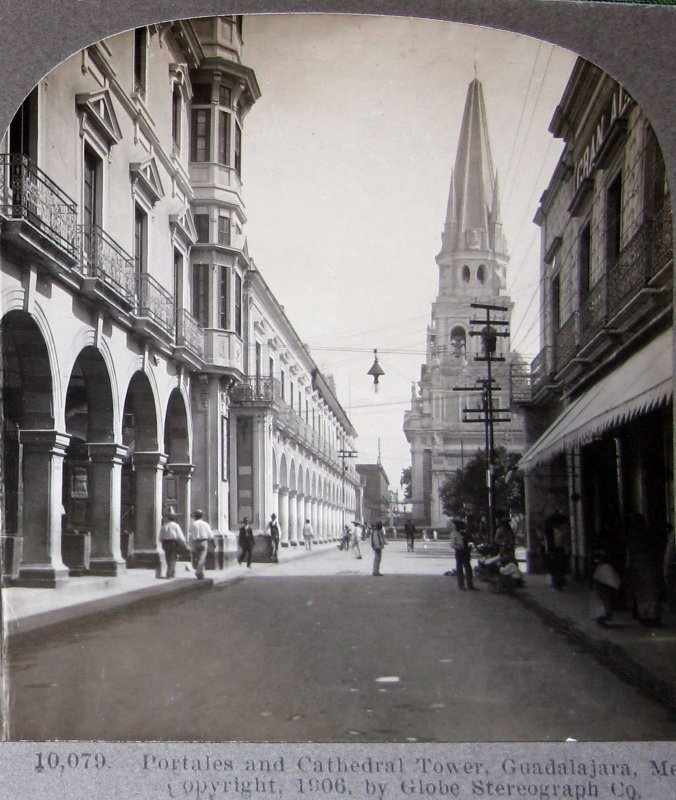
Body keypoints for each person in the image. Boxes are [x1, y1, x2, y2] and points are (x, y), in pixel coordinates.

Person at [625, 512, 663, 626]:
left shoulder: (632, 535)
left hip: (637, 564)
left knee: (641, 591)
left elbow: (629, 552)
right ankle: (652, 615)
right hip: (648, 563)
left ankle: (644, 615)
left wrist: (628, 566)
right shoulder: (648, 534)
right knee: (650, 590)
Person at [543, 511, 569, 589]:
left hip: (559, 550)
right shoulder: (551, 532)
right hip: (555, 551)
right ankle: (556, 582)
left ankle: (559, 581)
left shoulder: (559, 532)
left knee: (559, 567)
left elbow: (562, 542)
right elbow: (550, 543)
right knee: (555, 567)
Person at [450, 519, 477, 591]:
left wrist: (470, 546)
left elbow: (470, 541)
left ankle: (470, 585)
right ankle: (461, 586)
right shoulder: (454, 534)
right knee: (460, 569)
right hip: (459, 552)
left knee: (468, 569)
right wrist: (460, 548)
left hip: (466, 552)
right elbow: (452, 545)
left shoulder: (465, 533)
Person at [159, 509, 186, 579]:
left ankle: (172, 572)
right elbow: (180, 535)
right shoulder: (176, 525)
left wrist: (162, 541)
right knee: (173, 558)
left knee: (168, 558)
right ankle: (169, 573)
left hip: (165, 543)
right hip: (173, 543)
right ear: (174, 518)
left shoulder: (164, 526)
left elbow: (160, 536)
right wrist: (183, 542)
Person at [188, 509, 213, 580]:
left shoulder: (193, 524)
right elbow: (210, 535)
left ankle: (200, 573)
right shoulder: (205, 524)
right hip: (203, 541)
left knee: (197, 557)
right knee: (202, 558)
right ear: (202, 516)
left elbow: (190, 532)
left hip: (195, 542)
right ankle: (199, 572)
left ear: (195, 516)